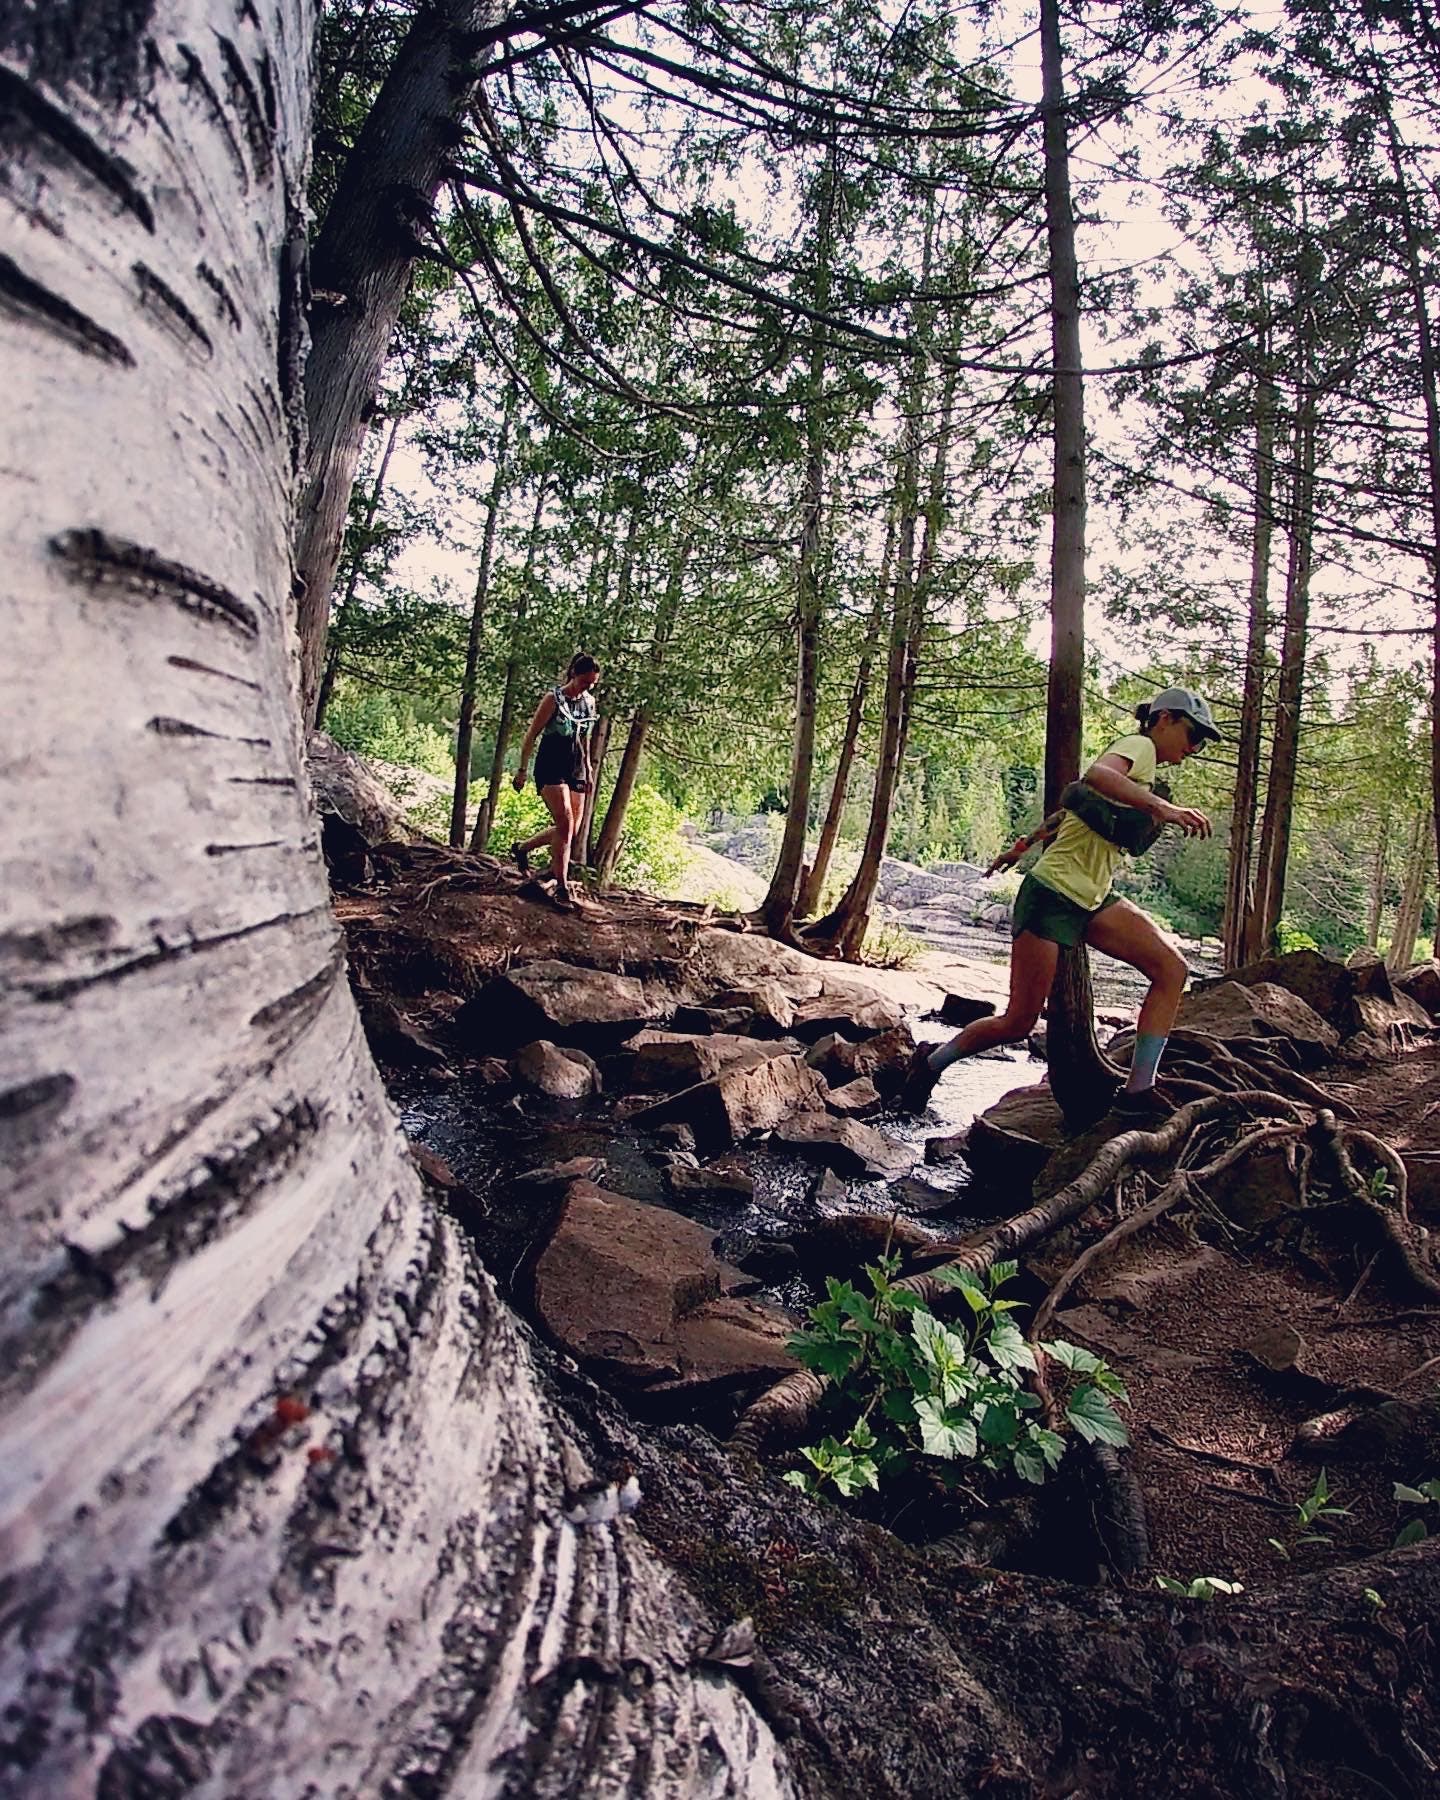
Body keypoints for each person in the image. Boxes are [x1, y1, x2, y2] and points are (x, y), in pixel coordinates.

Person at [898, 686, 1222, 1121]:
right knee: (1017, 1022)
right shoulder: (1139, 747)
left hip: (1092, 898)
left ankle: (1138, 1090)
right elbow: (1097, 774)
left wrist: (1022, 846)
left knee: (1172, 969)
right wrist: (1162, 808)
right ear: (1164, 719)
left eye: (1202, 741)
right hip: (1051, 897)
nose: (1194, 747)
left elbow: (1073, 809)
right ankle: (931, 1062)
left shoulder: (1143, 772)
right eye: (1192, 734)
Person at [510, 653, 600, 909]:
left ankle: (522, 848)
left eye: (592, 684)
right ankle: (562, 887)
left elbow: (584, 738)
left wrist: (589, 769)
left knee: (569, 831)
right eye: (584, 681)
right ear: (574, 674)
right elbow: (532, 735)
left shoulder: (589, 703)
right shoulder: (553, 699)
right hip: (551, 764)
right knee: (565, 821)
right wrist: (522, 770)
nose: (587, 687)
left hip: (576, 767)